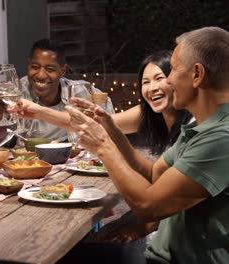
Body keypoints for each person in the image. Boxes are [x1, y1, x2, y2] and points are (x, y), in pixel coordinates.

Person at [62, 26, 229, 264]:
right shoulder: (202, 126)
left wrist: (103, 145)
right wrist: (112, 130)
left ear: (197, 74)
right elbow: (154, 173)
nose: (169, 79)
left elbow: (148, 207)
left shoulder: (222, 138)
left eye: (174, 69)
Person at [11, 50, 192, 155]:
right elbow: (95, 125)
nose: (152, 88)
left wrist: (108, 152)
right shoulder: (147, 113)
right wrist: (40, 112)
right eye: (146, 82)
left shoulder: (195, 127)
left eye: (159, 78)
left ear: (177, 78)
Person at [0, 39, 114, 142]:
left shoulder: (79, 91)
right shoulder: (16, 91)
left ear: (63, 71)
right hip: (29, 163)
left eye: (50, 69)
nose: (41, 75)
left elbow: (110, 120)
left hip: (73, 161)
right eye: (35, 67)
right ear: (28, 66)